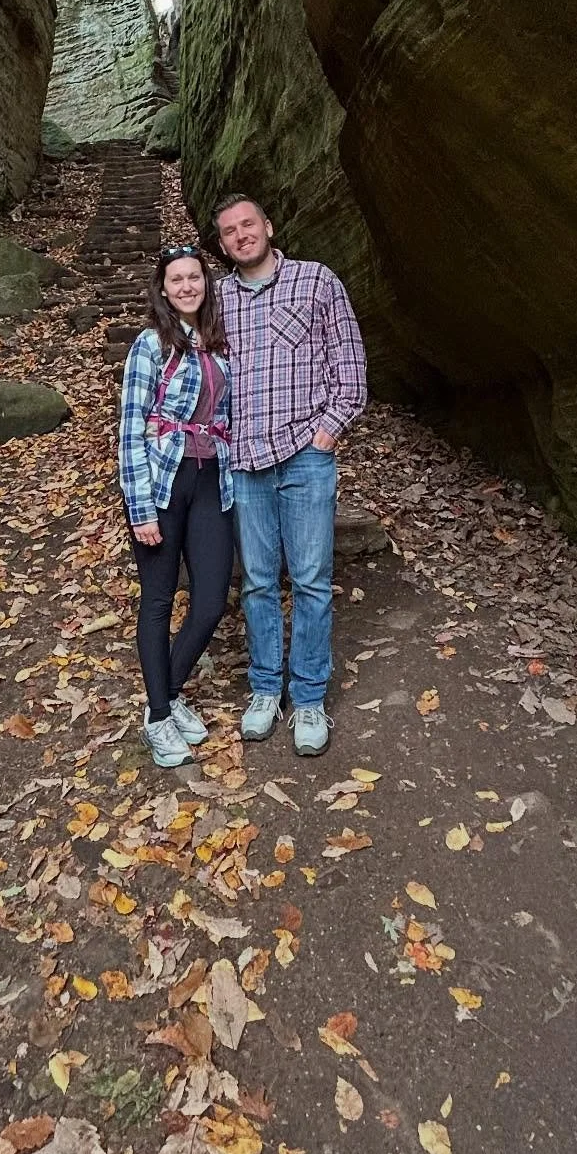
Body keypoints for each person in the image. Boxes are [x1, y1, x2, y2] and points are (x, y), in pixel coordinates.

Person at [214, 194, 367, 756]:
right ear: (223, 242)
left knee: (309, 580)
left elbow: (350, 370)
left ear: (269, 227)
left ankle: (307, 698)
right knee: (256, 582)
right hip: (246, 461)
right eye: (229, 231)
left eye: (247, 224)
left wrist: (325, 434)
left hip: (305, 456)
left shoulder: (316, 281)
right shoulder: (219, 298)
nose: (240, 236)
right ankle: (263, 689)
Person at [118, 246, 235, 769]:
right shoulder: (151, 345)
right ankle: (159, 714)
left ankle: (168, 695)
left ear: (205, 284)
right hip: (162, 485)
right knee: (159, 601)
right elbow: (129, 431)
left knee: (210, 601)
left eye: (195, 277)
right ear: (162, 289)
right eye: (176, 280)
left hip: (211, 479)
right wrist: (140, 509)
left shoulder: (218, 344)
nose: (187, 286)